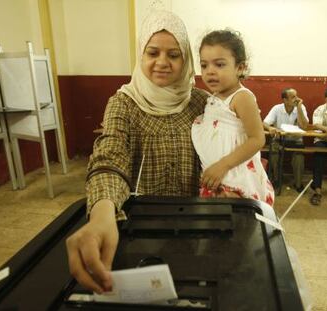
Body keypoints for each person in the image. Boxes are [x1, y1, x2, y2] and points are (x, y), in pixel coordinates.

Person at [65, 11, 209, 294]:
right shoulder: (124, 103)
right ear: (140, 55)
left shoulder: (202, 103)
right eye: (152, 52)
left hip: (196, 223)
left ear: (186, 60)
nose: (162, 63)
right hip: (139, 227)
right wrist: (102, 214)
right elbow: (110, 158)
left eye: (174, 55)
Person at [191, 30, 274, 206]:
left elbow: (258, 139)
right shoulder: (213, 98)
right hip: (215, 177)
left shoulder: (242, 97)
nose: (210, 72)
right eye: (204, 65)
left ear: (240, 67)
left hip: (234, 177)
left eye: (219, 65)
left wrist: (223, 165)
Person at [263, 88, 309, 192]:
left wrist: (300, 108)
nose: (296, 99)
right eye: (293, 97)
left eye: (296, 96)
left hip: (296, 140)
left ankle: (298, 184)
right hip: (279, 139)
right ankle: (276, 180)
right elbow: (264, 123)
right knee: (274, 152)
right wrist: (270, 128)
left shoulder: (301, 107)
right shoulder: (276, 108)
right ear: (285, 100)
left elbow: (304, 126)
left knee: (299, 157)